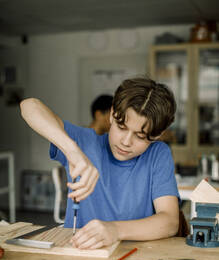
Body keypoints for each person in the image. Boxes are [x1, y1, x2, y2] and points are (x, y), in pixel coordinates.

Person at [20, 76, 180, 250]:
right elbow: (29, 106)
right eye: (121, 127)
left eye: (140, 136)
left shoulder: (158, 154)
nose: (126, 141)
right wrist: (72, 151)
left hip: (133, 259)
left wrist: (115, 230)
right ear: (112, 115)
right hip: (79, 255)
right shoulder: (85, 141)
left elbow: (170, 221)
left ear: (157, 135)